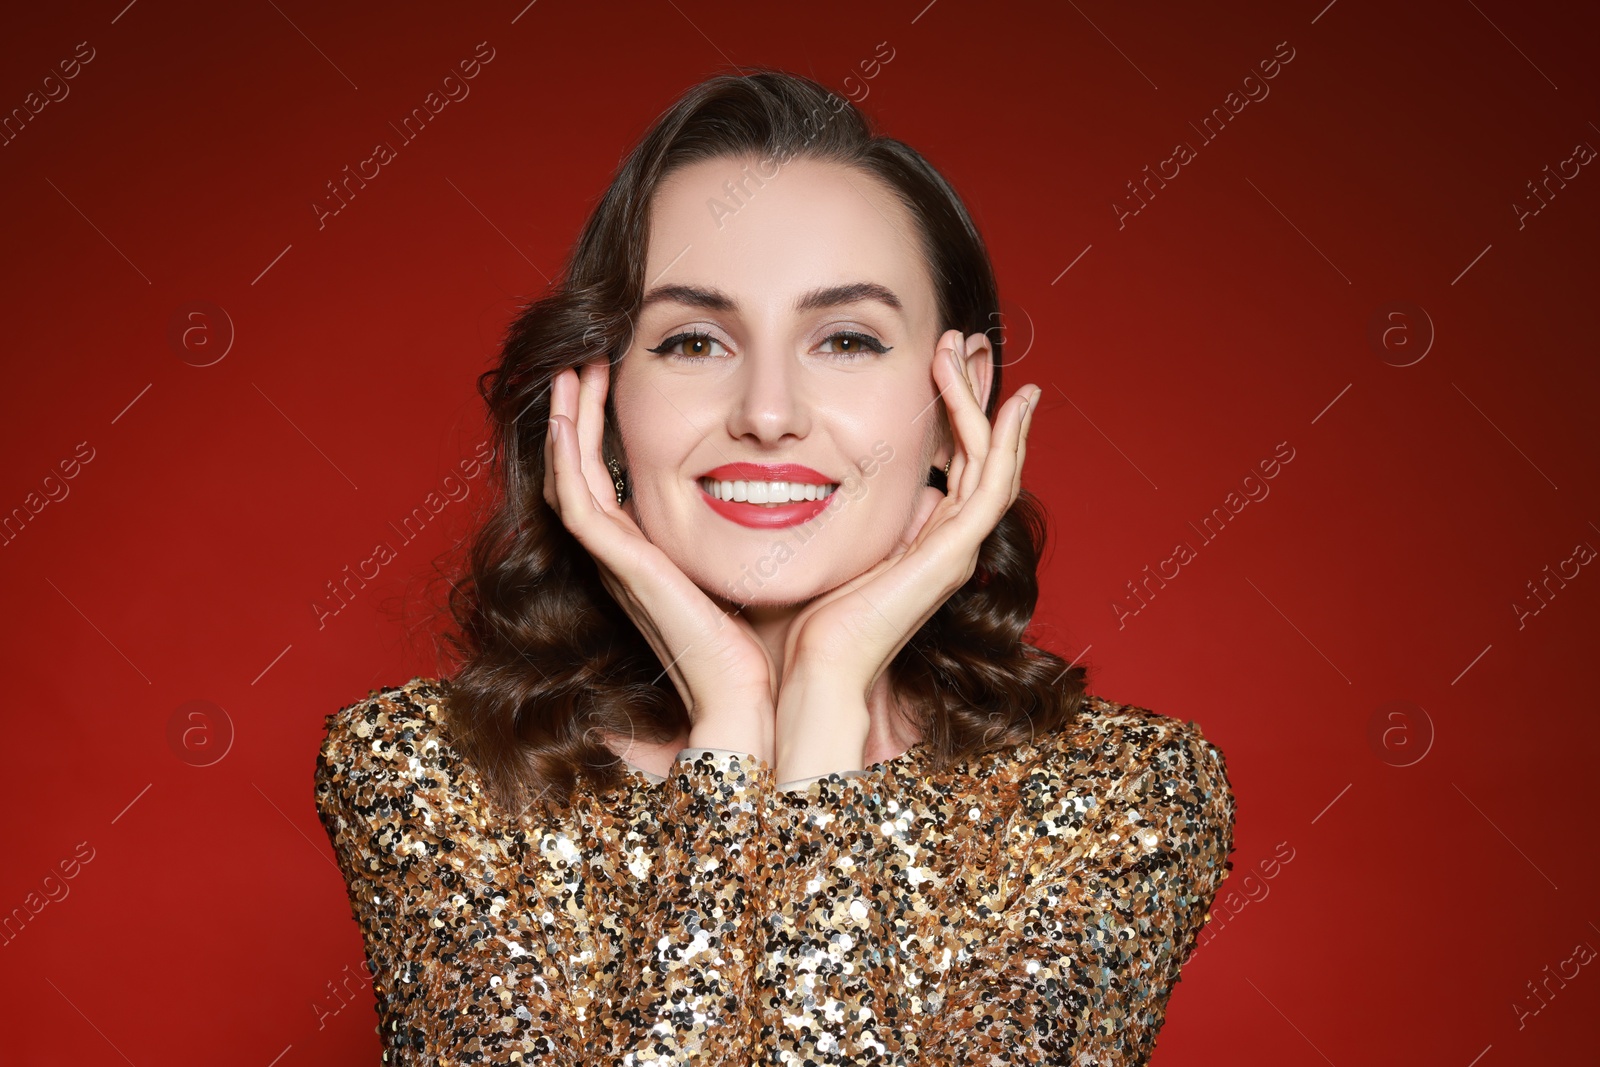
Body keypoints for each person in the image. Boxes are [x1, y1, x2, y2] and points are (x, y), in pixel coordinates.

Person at [314, 68, 1235, 1065]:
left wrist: (827, 694)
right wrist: (730, 727)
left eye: (845, 339)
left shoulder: (1121, 797)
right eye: (692, 340)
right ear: (600, 404)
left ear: (956, 396)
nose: (765, 410)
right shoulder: (430, 773)